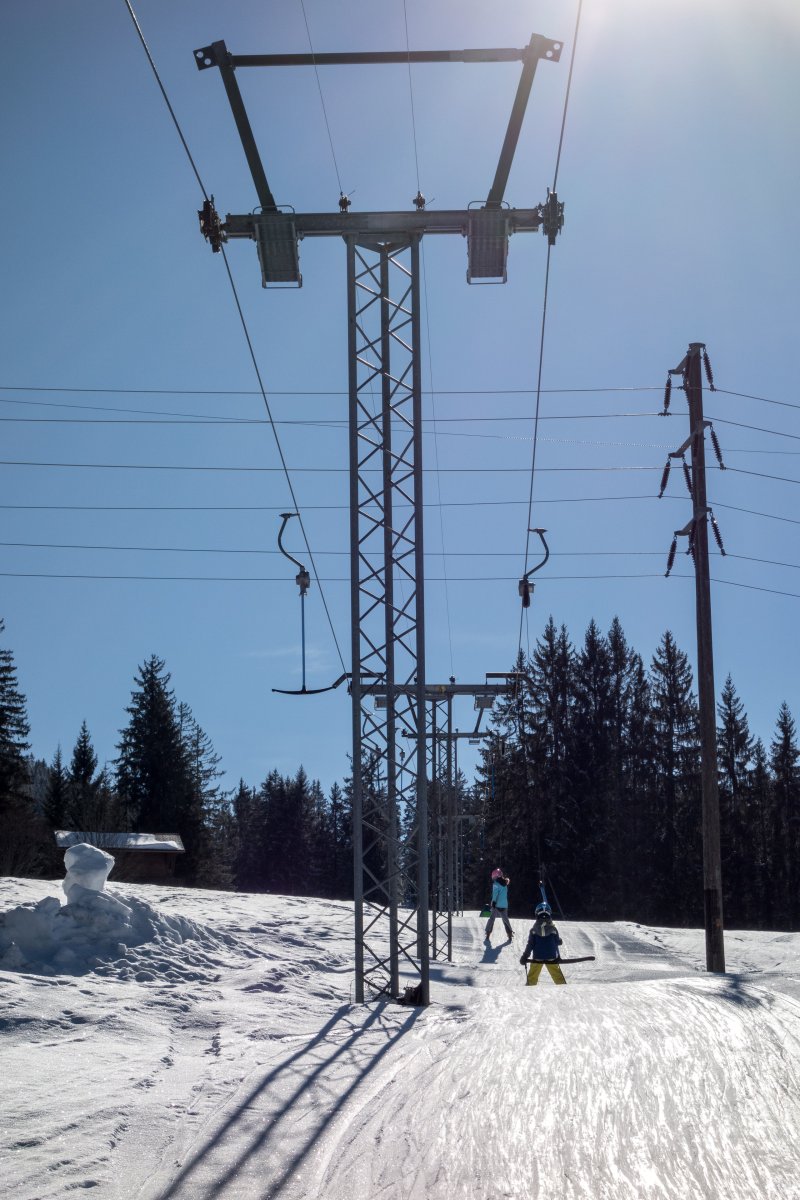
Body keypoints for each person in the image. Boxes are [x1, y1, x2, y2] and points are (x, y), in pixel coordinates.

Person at [519, 901, 565, 985]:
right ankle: (563, 987)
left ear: (536, 914)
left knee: (532, 976)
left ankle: (529, 988)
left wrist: (525, 956)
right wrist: (559, 942)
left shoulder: (533, 931)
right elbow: (557, 942)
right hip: (551, 957)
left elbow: (530, 945)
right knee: (557, 975)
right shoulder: (553, 930)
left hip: (538, 957)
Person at [484, 868, 513, 942]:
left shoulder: (495, 884)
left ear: (495, 876)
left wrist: (493, 902)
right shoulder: (505, 884)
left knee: (492, 919)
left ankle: (488, 933)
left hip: (496, 904)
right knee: (505, 920)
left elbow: (495, 894)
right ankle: (510, 934)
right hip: (504, 905)